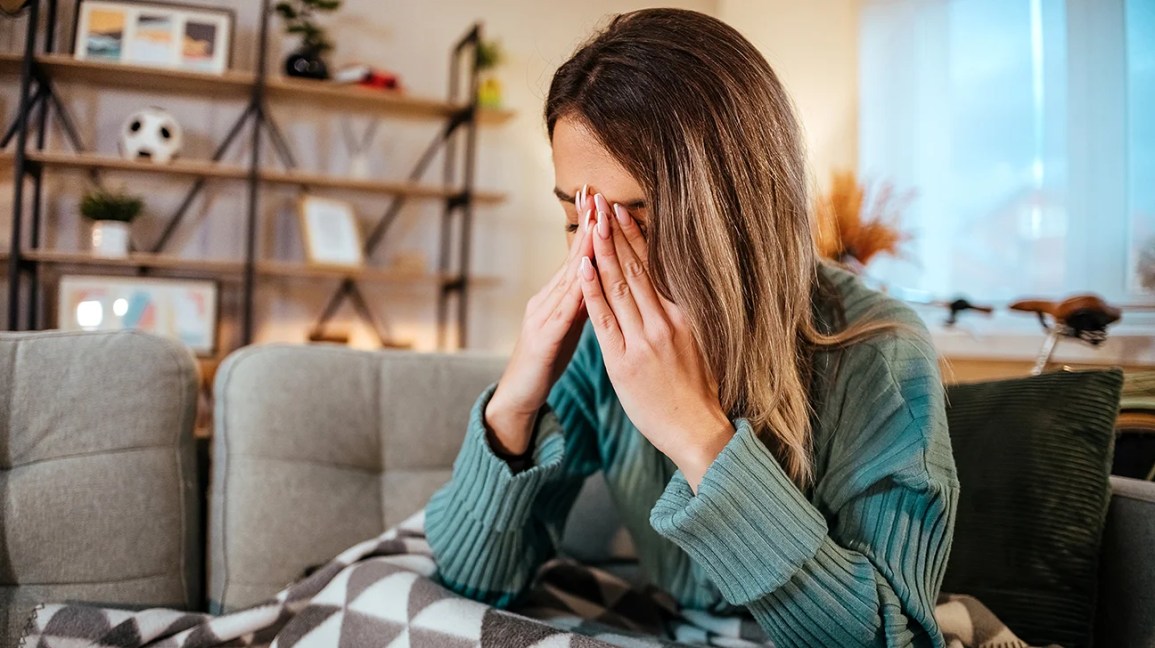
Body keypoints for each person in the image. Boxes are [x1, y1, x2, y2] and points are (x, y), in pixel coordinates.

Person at [426, 8, 958, 646]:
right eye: (576, 219)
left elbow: (891, 640)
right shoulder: (599, 347)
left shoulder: (882, 354)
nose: (598, 256)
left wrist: (700, 438)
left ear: (737, 207)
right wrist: (515, 400)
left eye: (636, 220)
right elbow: (475, 584)